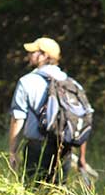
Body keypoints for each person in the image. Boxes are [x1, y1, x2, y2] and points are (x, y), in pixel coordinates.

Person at [8, 37, 89, 185]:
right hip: (64, 150)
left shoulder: (26, 81)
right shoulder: (73, 84)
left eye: (33, 52)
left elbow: (17, 118)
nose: (28, 55)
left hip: (36, 148)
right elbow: (83, 119)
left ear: (44, 56)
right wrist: (82, 159)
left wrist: (12, 151)